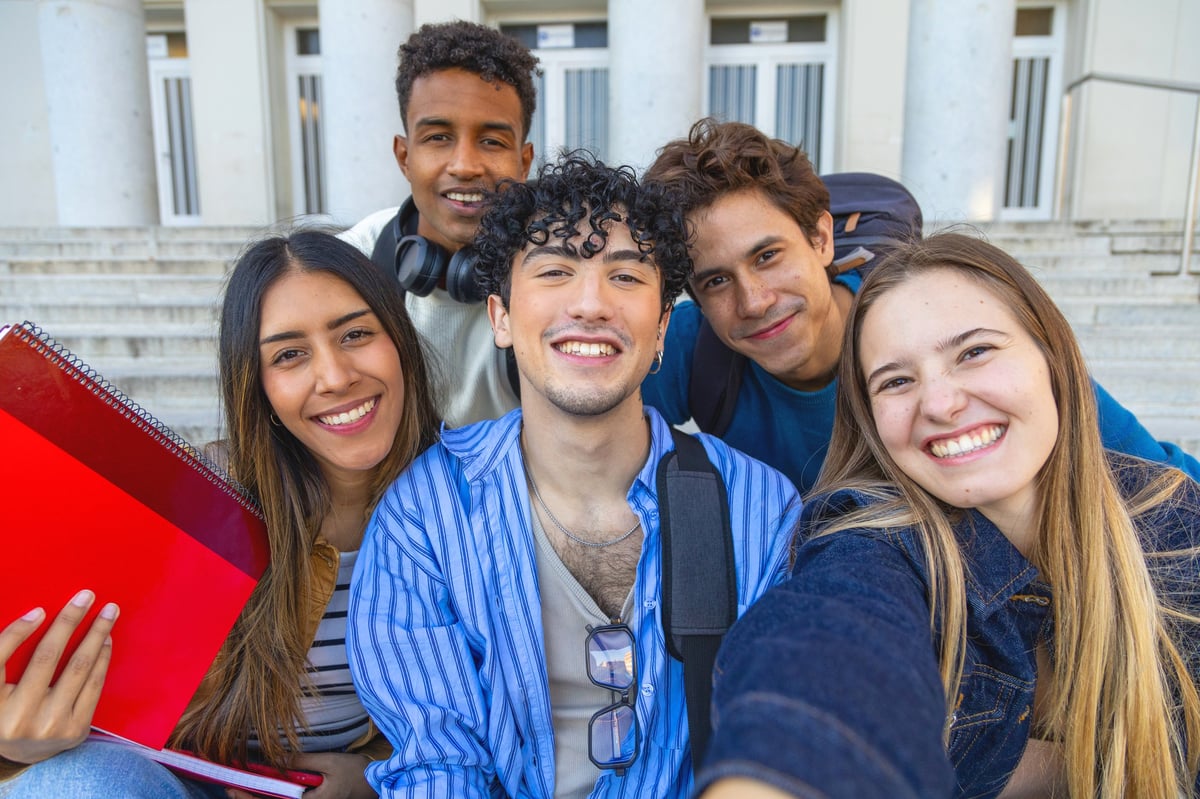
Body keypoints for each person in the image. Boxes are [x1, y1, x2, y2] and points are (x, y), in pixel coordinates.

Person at [346, 155, 801, 798]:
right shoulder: (424, 517)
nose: (590, 305)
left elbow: (775, 739)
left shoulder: (757, 509)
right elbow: (438, 769)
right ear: (500, 317)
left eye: (624, 276)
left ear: (663, 327)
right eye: (556, 271)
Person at [695, 233, 1200, 799]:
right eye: (897, 381)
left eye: (974, 352)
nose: (938, 404)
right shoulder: (872, 543)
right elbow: (829, 641)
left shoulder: (1171, 518)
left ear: (1053, 358)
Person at [0, 231, 441, 798]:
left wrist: (373, 776)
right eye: (289, 355)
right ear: (255, 386)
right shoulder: (204, 501)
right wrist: (15, 746)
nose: (334, 377)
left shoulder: (467, 497)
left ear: (401, 340)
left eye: (356, 334)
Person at [641, 118, 1200, 493]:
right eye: (715, 281)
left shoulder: (930, 320)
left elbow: (1153, 477)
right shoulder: (696, 347)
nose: (754, 301)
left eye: (767, 256)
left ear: (821, 239)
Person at [339, 20, 538, 427]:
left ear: (524, 161)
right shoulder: (350, 264)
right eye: (437, 137)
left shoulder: (555, 270)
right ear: (404, 156)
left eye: (492, 141)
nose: (464, 165)